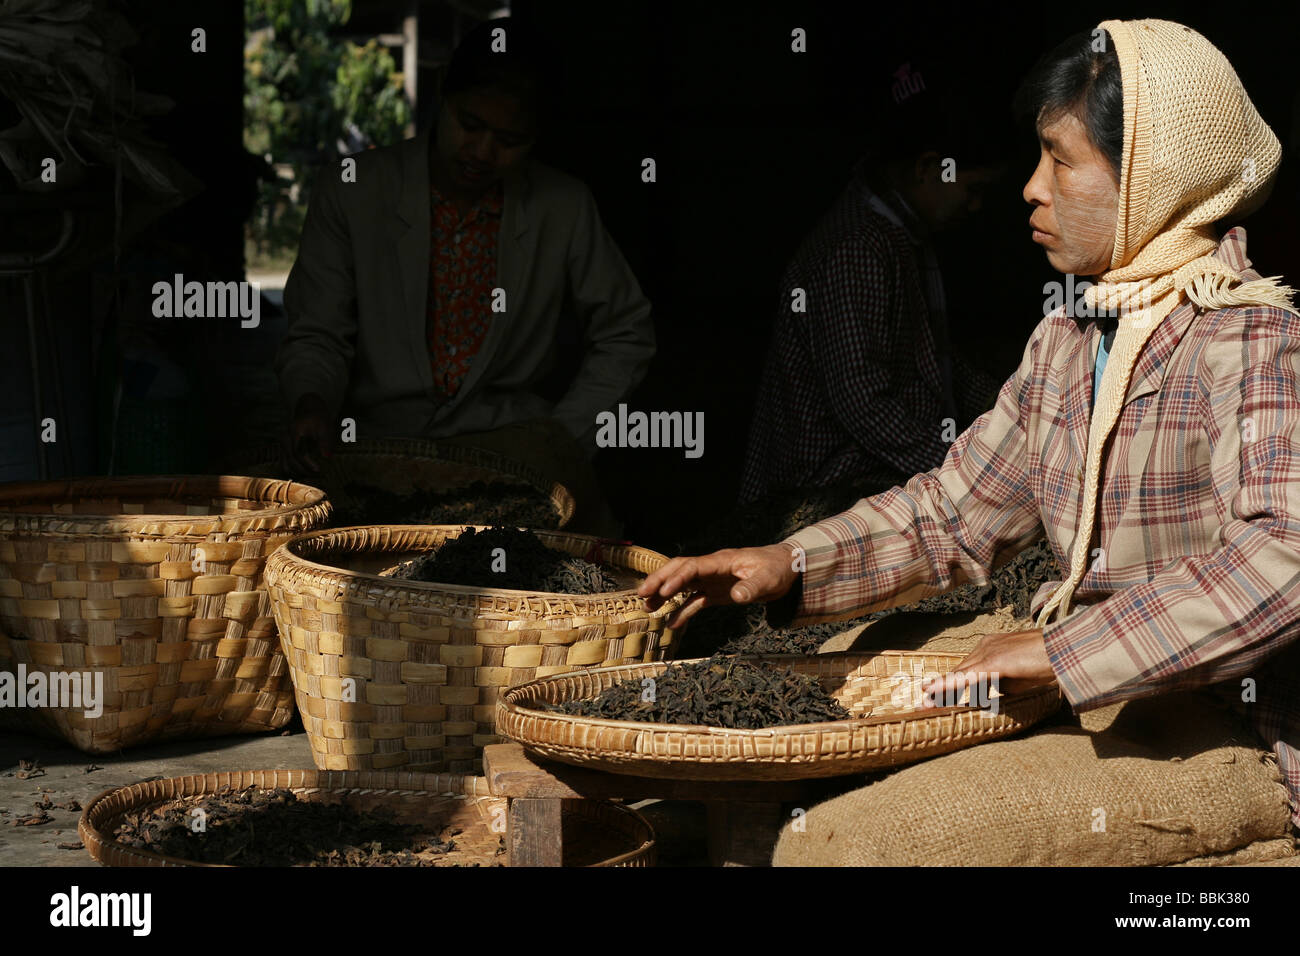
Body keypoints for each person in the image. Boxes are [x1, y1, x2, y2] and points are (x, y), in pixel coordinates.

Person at [640, 19, 1300, 834]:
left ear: (1149, 179)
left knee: (853, 841)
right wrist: (791, 560)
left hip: (1226, 725)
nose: (1031, 187)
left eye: (1060, 161)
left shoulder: (1249, 337)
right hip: (1106, 701)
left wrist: (1066, 656)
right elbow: (953, 512)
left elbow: (1286, 554)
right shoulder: (1067, 337)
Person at [275, 18, 654, 534]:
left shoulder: (563, 206)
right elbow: (318, 330)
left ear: (537, 138)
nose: (481, 152)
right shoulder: (355, 190)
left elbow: (626, 331)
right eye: (469, 124)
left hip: (515, 446)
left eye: (509, 139)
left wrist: (565, 436)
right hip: (375, 444)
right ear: (441, 99)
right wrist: (312, 404)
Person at [739, 63, 1006, 504]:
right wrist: (956, 472)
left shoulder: (903, 236)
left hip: (878, 472)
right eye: (972, 189)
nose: (976, 207)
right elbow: (863, 403)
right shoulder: (858, 248)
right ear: (928, 168)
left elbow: (934, 362)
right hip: (826, 488)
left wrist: (1011, 409)